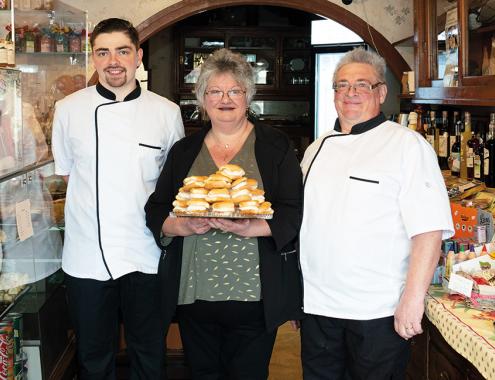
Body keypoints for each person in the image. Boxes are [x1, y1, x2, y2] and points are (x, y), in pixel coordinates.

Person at [144, 48, 303, 379]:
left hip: (256, 295)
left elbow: (294, 209)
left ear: (248, 96)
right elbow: (157, 207)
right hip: (193, 292)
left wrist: (252, 228)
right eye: (214, 91)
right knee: (202, 373)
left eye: (234, 90)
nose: (225, 99)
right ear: (203, 99)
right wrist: (180, 226)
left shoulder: (275, 145)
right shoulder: (185, 150)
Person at [299, 47, 454, 379]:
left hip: (377, 311)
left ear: (381, 92)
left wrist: (412, 301)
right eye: (342, 85)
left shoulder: (408, 146)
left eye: (362, 85)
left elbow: (428, 231)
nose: (350, 93)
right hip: (317, 306)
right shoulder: (316, 148)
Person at [51, 18, 184, 379]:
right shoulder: (68, 110)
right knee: (94, 355)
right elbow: (66, 174)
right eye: (103, 52)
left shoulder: (166, 112)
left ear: (138, 56)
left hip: (146, 251)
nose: (113, 60)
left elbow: (172, 186)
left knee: (149, 352)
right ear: (93, 58)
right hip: (87, 254)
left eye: (122, 51)